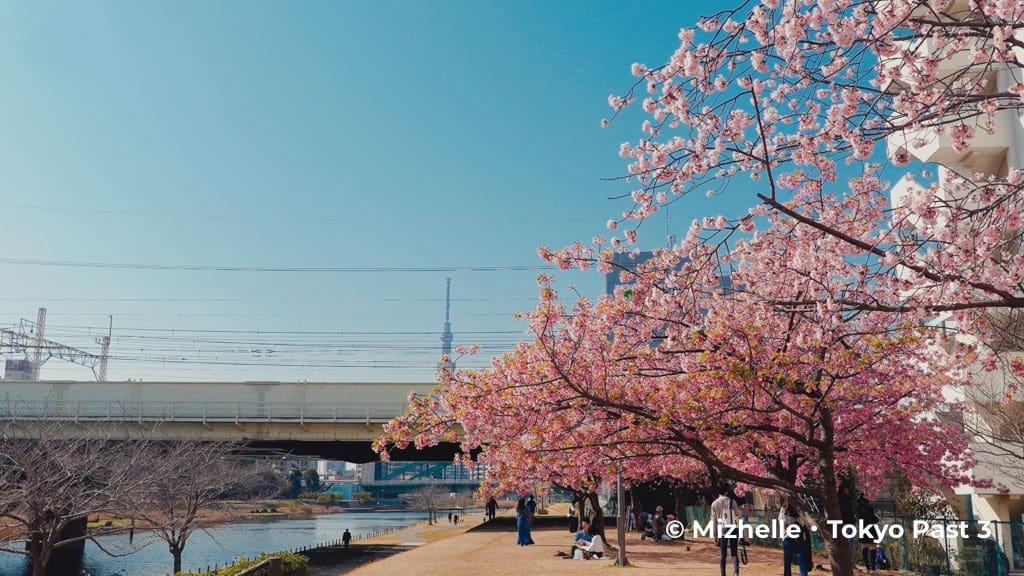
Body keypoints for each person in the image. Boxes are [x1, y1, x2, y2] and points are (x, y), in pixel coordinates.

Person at [711, 484, 740, 576]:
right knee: (734, 553)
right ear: (727, 492)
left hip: (722, 529)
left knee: (723, 554)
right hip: (733, 528)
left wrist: (715, 535)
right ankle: (736, 573)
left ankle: (723, 574)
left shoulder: (714, 504)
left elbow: (714, 521)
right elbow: (738, 516)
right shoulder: (732, 502)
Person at [779, 497, 810, 576]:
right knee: (802, 561)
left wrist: (783, 508)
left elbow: (781, 524)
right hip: (800, 539)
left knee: (787, 562)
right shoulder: (801, 515)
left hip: (788, 539)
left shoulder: (784, 515)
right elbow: (806, 525)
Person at [857, 495, 881, 571]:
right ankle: (873, 569)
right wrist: (877, 515)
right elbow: (874, 520)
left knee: (865, 547)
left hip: (862, 529)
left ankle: (867, 567)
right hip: (870, 530)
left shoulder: (858, 508)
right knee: (873, 548)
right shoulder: (868, 509)